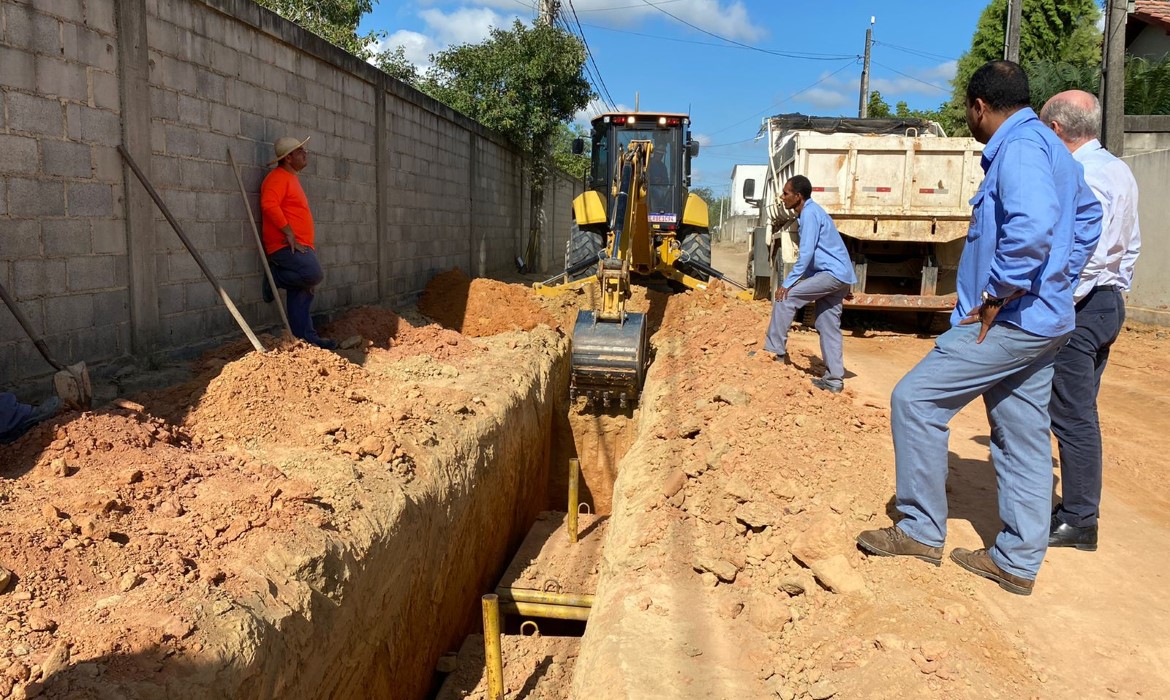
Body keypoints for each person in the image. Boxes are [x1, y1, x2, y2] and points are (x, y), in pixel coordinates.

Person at [856, 61, 1102, 596]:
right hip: (1044, 319)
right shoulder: (1051, 148)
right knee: (1021, 435)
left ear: (978, 107)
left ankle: (921, 531)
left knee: (915, 401)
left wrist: (1001, 293)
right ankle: (1015, 561)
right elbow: (1087, 219)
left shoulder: (1018, 149)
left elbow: (1035, 224)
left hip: (1006, 321)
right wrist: (1056, 277)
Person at [1040, 90, 1142, 552]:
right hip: (1106, 304)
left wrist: (1059, 305)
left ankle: (1081, 520)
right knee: (1080, 410)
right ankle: (1077, 511)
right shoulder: (1117, 169)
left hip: (1081, 306)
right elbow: (1129, 246)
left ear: (1057, 130)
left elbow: (1087, 256)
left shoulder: (1082, 174)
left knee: (1072, 415)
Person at [762, 175, 857, 393]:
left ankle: (773, 352)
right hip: (837, 275)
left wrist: (787, 284)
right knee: (827, 325)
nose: (782, 197)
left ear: (799, 196)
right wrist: (845, 284)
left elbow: (805, 255)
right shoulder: (812, 213)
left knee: (785, 299)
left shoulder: (810, 214)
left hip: (832, 274)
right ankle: (834, 380)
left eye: (786, 193)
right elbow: (834, 250)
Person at [260, 136, 337, 350]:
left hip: (300, 245)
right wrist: (289, 232)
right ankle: (274, 277)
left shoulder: (291, 178)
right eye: (300, 151)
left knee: (304, 289)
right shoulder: (277, 177)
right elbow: (268, 205)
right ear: (288, 158)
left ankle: (305, 338)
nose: (305, 153)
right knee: (314, 274)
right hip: (284, 246)